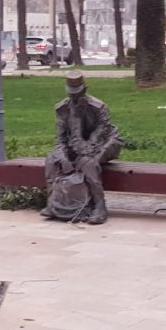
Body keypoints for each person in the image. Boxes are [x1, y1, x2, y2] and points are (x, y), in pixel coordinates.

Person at [41, 71, 123, 224]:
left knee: (87, 163)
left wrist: (77, 120)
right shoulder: (62, 109)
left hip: (105, 143)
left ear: (85, 90)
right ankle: (54, 203)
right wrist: (63, 157)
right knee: (52, 160)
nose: (74, 98)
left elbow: (97, 138)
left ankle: (99, 206)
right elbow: (60, 139)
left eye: (77, 94)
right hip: (75, 146)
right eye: (71, 94)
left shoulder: (98, 107)